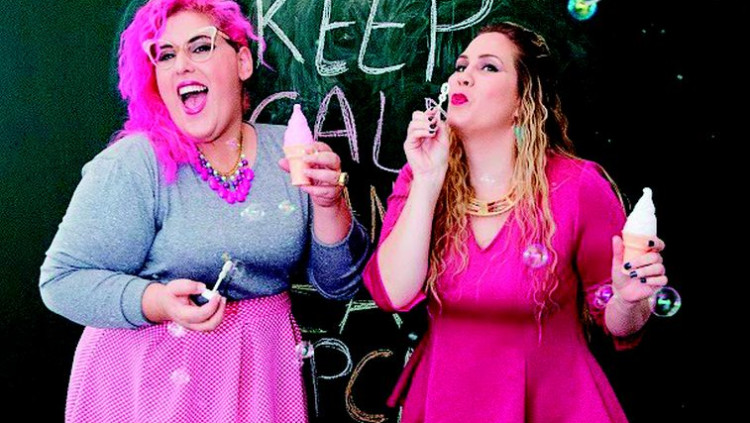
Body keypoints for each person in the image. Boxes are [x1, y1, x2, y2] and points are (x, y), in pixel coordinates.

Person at [39, 0, 369, 421]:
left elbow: (338, 285)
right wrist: (157, 301)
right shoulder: (135, 163)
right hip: (152, 386)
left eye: (200, 47)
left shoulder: (289, 151)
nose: (181, 65)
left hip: (261, 376)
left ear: (243, 61)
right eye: (165, 55)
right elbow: (61, 282)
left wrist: (330, 203)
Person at [363, 22, 668, 423]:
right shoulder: (420, 177)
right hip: (447, 403)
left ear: (524, 101)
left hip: (554, 405)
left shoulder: (577, 187)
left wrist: (629, 301)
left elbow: (618, 323)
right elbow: (393, 294)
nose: (463, 76)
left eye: (488, 67)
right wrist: (428, 178)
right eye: (461, 66)